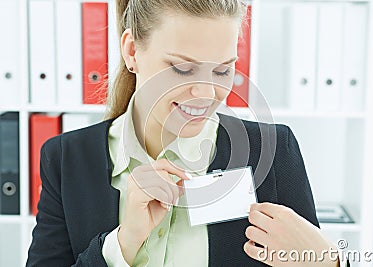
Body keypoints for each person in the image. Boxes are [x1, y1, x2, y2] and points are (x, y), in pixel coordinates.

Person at [27, 0, 345, 266]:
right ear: (132, 51)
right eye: (182, 68)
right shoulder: (65, 159)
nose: (207, 92)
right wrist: (123, 242)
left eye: (222, 70)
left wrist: (329, 261)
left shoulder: (272, 152)